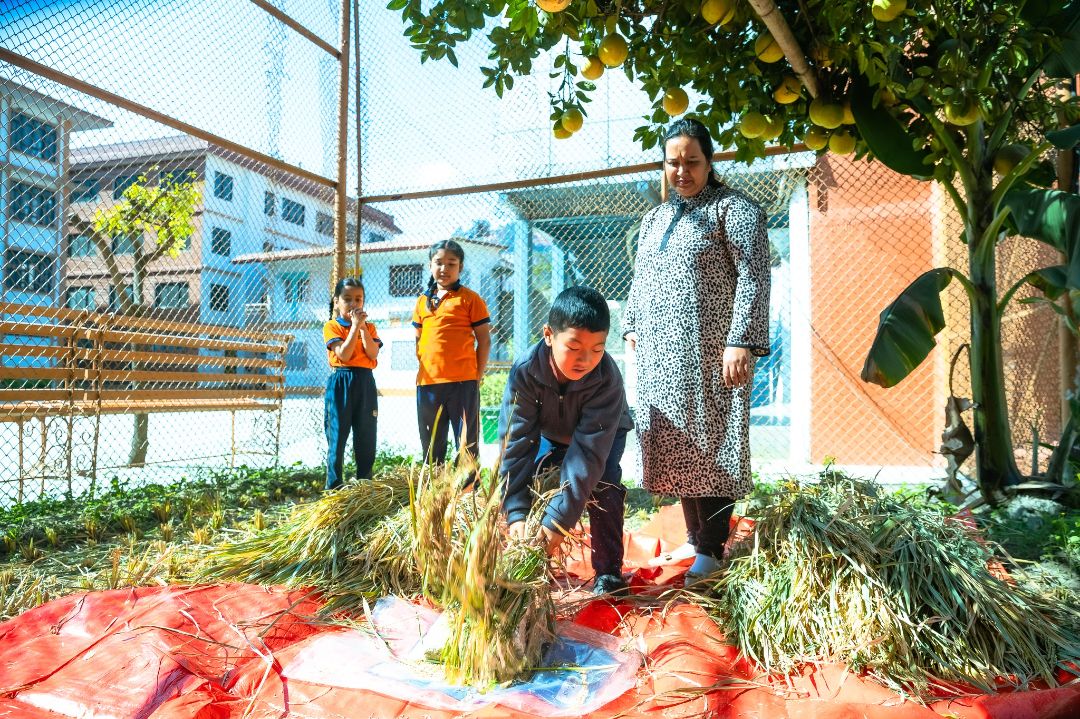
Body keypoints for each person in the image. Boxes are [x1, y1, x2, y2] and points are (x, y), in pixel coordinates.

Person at [624, 118, 771, 579]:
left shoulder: (735, 210)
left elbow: (754, 276)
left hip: (711, 353)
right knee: (678, 444)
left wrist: (741, 339)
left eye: (692, 161)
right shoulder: (655, 219)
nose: (681, 171)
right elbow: (641, 277)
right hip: (662, 354)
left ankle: (711, 548)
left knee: (712, 442)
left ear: (710, 162)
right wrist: (632, 325)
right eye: (673, 162)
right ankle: (694, 537)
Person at [499, 286, 634, 595]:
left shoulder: (607, 379)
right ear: (549, 335)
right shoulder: (526, 372)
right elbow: (517, 443)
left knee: (604, 484)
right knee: (537, 476)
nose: (585, 359)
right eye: (573, 346)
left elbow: (586, 457)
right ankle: (534, 562)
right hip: (552, 434)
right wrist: (516, 511)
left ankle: (609, 572)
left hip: (603, 436)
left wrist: (557, 522)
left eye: (597, 349)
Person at [412, 239, 492, 465]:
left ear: (460, 267)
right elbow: (418, 340)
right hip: (428, 384)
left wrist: (476, 376)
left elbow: (484, 341)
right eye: (438, 262)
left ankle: (468, 487)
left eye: (451, 263)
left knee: (467, 446)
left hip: (462, 383)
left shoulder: (470, 299)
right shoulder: (422, 302)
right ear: (430, 265)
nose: (444, 268)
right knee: (431, 447)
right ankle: (434, 486)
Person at [323, 277, 382, 491]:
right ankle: (334, 488)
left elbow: (373, 353)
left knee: (366, 435)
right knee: (337, 436)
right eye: (347, 299)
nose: (353, 304)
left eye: (358, 299)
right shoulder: (332, 326)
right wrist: (355, 327)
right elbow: (344, 354)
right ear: (336, 301)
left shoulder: (370, 328)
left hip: (365, 381)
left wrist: (362, 328)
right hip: (342, 381)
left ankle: (365, 486)